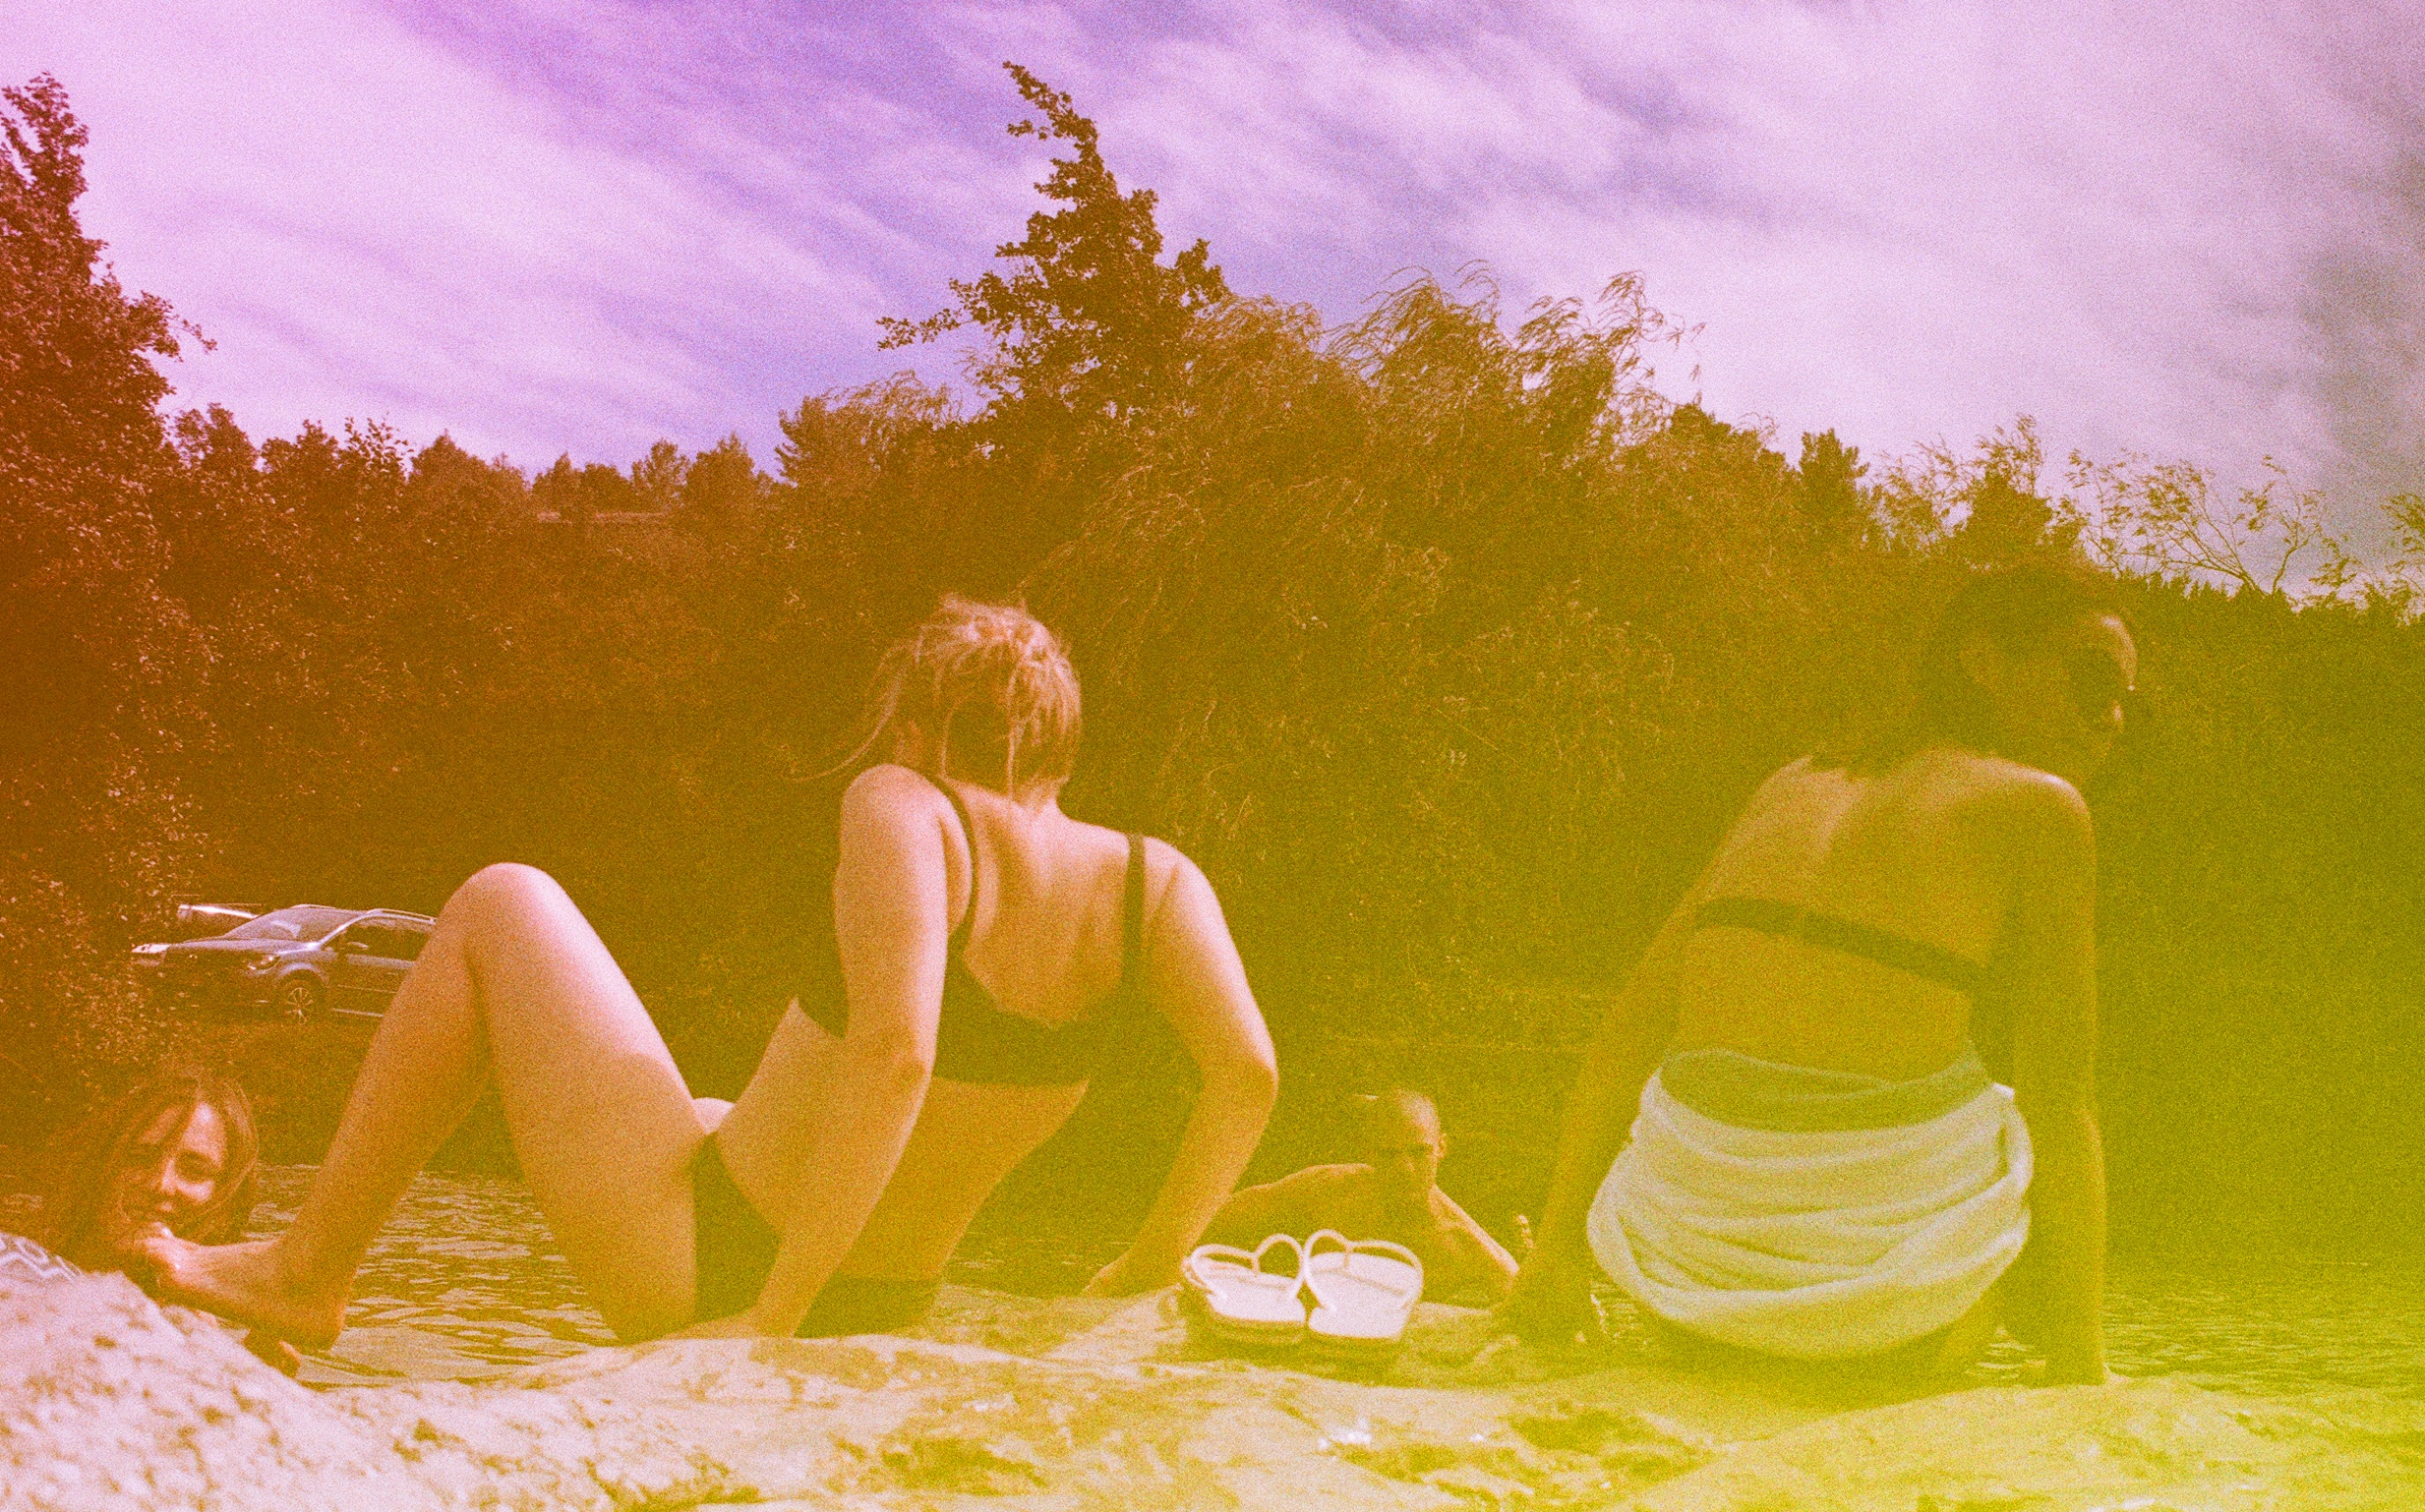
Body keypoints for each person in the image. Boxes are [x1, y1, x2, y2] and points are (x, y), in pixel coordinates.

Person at [139, 597, 1281, 1347]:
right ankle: (308, 1264)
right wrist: (1147, 1263)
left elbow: (897, 1053)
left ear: (916, 726)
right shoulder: (1156, 884)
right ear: (1061, 744)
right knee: (711, 1106)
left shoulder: (904, 801)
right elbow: (1248, 1076)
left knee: (500, 899)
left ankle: (307, 1269)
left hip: (729, 1270)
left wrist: (769, 1320)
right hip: (893, 1300)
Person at [1504, 550, 2132, 1380]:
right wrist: (2085, 1370)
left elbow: (1630, 1029)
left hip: (1681, 1293)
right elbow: (2062, 1096)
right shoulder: (2042, 807)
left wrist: (1556, 1254)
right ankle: (2051, 1346)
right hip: (1887, 1330)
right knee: (2012, 1111)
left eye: (2124, 699)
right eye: (2093, 679)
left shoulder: (1792, 779)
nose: (2111, 717)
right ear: (1983, 662)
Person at [1202, 1090, 1522, 1302]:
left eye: (1419, 1152)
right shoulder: (1329, 1189)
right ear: (1368, 1151)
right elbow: (1217, 1215)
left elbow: (1522, 1301)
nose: (1405, 1169)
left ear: (1442, 1148)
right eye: (1389, 1154)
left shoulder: (1465, 1244)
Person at [37, 1067, 262, 1272]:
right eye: (139, 1158)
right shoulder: (22, 1270)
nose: (159, 1184)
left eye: (194, 1171)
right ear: (99, 1163)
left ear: (229, 1194)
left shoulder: (237, 1298)